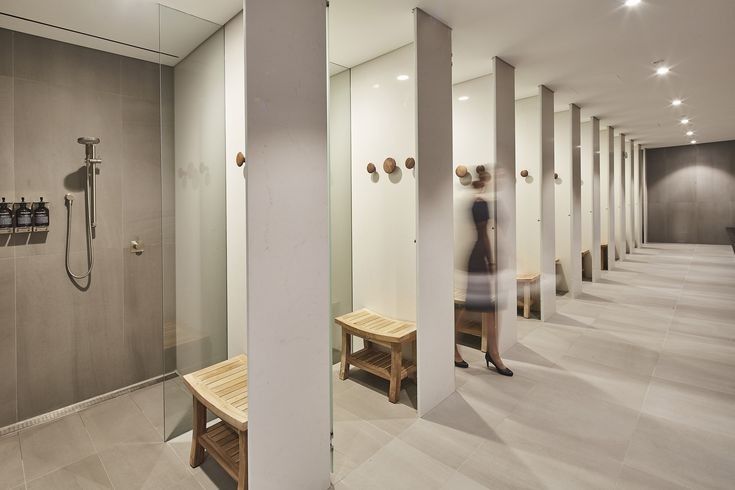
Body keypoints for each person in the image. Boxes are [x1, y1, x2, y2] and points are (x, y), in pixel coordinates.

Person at [454, 170, 513, 376]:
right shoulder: (479, 203)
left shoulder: (483, 201)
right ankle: (487, 353)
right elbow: (483, 235)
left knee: (486, 306)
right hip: (479, 259)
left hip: (481, 258)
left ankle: (492, 352)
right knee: (477, 305)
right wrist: (491, 261)